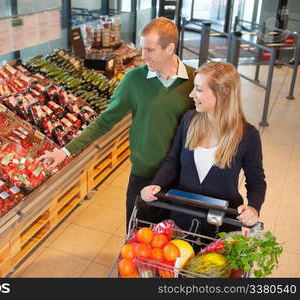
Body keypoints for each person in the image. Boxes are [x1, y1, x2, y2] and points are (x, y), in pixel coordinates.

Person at [37, 17, 195, 228]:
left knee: (176, 246)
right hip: (144, 176)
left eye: (150, 50)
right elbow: (105, 120)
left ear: (170, 48)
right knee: (136, 238)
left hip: (181, 177)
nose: (143, 56)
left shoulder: (195, 81)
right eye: (142, 49)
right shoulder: (134, 80)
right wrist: (65, 151)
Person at [140, 61, 266, 237]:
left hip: (221, 228)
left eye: (198, 89)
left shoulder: (247, 136)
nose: (191, 94)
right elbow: (173, 161)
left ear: (222, 93)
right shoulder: (189, 120)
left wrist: (253, 207)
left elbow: (256, 181)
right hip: (180, 221)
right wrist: (156, 184)